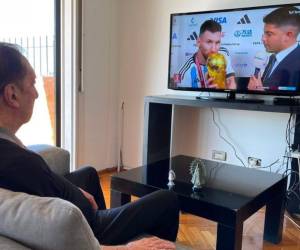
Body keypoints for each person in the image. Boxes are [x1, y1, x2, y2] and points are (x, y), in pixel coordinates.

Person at [0, 42, 179, 250]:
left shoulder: (9, 147)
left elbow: (42, 180)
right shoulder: (20, 162)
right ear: (12, 95)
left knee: (89, 174)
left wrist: (74, 189)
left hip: (77, 207)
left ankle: (109, 225)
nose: (37, 94)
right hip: (89, 226)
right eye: (32, 84)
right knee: (167, 199)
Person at [248, 6, 300, 91]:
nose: (263, 39)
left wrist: (260, 93)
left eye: (269, 34)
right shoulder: (272, 58)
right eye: (264, 33)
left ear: (288, 35)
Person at [176, 20, 236, 89]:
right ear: (198, 42)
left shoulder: (223, 54)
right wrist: (207, 92)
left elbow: (231, 82)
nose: (214, 49)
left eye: (217, 42)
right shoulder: (184, 73)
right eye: (209, 42)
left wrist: (225, 90)